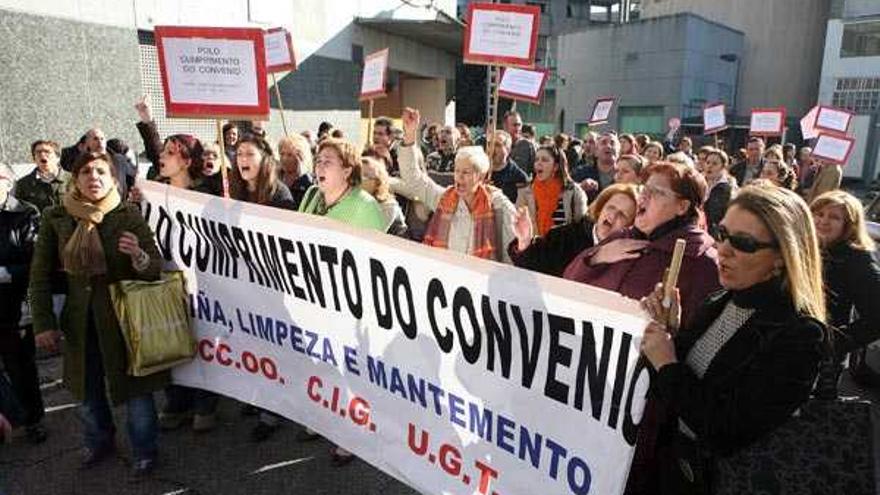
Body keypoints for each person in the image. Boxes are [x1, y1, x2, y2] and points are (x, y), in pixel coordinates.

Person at [638, 185, 826, 495]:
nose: (723, 249)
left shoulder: (800, 336)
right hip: (673, 468)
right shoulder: (720, 300)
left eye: (743, 243)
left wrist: (668, 362)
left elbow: (725, 432)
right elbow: (675, 391)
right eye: (722, 233)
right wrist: (669, 333)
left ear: (782, 257)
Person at [30, 151, 166, 477]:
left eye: (101, 171)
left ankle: (145, 452)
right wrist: (43, 323)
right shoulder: (56, 216)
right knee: (87, 393)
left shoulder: (127, 214)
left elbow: (154, 269)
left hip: (124, 321)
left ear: (113, 178)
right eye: (86, 172)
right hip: (80, 323)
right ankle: (99, 441)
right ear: (75, 179)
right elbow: (40, 275)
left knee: (137, 394)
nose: (94, 177)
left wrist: (138, 256)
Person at [298, 139, 387, 465]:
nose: (319, 167)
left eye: (328, 162)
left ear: (347, 171)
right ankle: (323, 418)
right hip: (314, 299)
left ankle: (351, 436)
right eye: (318, 161)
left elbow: (379, 261)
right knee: (319, 362)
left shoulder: (364, 206)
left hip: (352, 306)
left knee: (351, 372)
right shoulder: (310, 196)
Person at [563, 160, 720, 328]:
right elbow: (567, 284)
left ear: (682, 206)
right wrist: (596, 258)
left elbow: (699, 338)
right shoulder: (620, 238)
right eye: (644, 189)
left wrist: (670, 331)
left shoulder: (702, 263)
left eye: (657, 192)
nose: (643, 196)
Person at [398, 107, 517, 263]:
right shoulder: (445, 198)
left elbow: (512, 255)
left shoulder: (499, 206)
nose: (459, 177)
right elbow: (414, 180)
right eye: (457, 171)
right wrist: (409, 135)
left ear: (480, 176)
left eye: (466, 173)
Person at [0, 166, 46, 444]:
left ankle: (33, 420)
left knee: (20, 368)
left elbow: (36, 262)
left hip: (13, 308)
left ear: (7, 183)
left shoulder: (26, 213)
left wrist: (5, 274)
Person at [509, 183, 639, 276]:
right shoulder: (563, 236)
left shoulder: (629, 256)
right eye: (611, 207)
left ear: (630, 226)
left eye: (622, 214)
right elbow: (530, 267)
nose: (613, 215)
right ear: (600, 209)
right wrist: (524, 241)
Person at [811, 190, 880, 361]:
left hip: (820, 360)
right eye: (819, 214)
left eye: (834, 217)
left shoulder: (857, 259)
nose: (823, 221)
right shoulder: (807, 247)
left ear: (849, 225)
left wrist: (830, 344)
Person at [515, 145, 588, 238]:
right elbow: (518, 229)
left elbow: (581, 227)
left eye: (544, 160)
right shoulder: (525, 193)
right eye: (536, 159)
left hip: (566, 249)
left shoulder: (573, 192)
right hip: (536, 250)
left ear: (556, 166)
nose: (539, 163)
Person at [230, 135, 296, 209]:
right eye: (239, 154)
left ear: (264, 160)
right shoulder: (234, 190)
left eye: (250, 154)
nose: (243, 159)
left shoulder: (279, 194)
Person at [14, 140, 71, 213]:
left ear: (58, 157)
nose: (42, 154)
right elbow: (18, 210)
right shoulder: (24, 184)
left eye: (47, 152)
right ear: (34, 159)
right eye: (38, 152)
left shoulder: (73, 179)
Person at [83, 128, 138, 200]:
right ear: (88, 143)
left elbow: (133, 174)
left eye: (102, 139)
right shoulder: (83, 163)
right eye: (95, 139)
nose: (100, 141)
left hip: (117, 202)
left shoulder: (119, 160)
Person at [361, 156, 407, 236]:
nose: (361, 179)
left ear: (378, 182)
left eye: (366, 175)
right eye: (358, 174)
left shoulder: (388, 206)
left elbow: (373, 234)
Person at [702, 148, 737, 238]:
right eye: (708, 162)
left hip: (715, 234)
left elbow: (716, 216)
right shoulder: (699, 182)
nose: (709, 166)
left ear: (723, 167)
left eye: (715, 164)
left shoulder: (725, 188)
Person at [574, 132, 619, 201]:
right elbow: (566, 192)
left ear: (619, 151)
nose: (609, 146)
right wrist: (580, 186)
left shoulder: (625, 174)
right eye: (604, 143)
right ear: (596, 152)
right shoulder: (581, 173)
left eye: (612, 143)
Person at [488, 130, 529, 203]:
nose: (492, 149)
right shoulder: (480, 171)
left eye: (497, 145)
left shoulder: (519, 177)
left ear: (508, 149)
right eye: (489, 144)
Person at [277, 134, 315, 209]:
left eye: (289, 155)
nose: (284, 159)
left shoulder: (308, 185)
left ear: (301, 157)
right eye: (282, 154)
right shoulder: (274, 178)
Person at [504, 111, 536, 175]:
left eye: (519, 125)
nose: (518, 128)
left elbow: (535, 170)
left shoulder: (528, 146)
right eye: (515, 125)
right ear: (505, 126)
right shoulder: (499, 145)